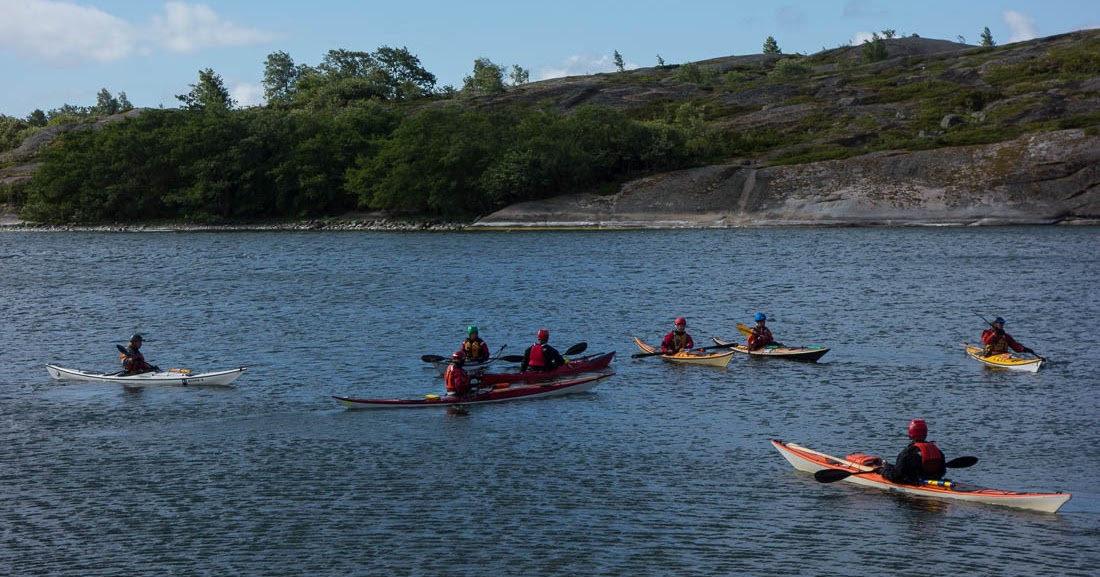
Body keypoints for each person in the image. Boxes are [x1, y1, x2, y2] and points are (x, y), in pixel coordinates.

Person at [880, 418, 947, 485]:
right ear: (926, 434)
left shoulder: (908, 453)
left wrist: (884, 470)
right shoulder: (937, 451)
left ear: (910, 435)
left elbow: (896, 477)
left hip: (915, 483)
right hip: (934, 481)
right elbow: (942, 472)